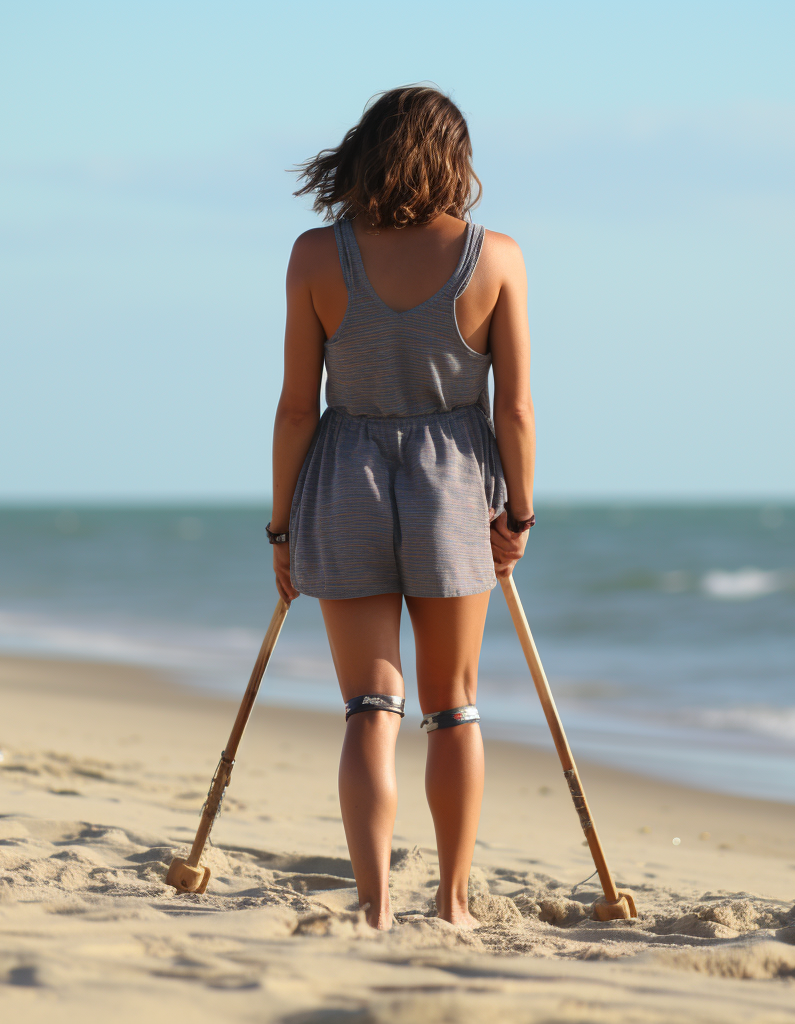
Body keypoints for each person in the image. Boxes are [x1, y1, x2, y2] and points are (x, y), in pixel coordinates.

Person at [269, 86, 534, 930]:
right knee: (451, 704)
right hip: (453, 483)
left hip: (344, 477)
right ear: (455, 161)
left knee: (369, 705)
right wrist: (517, 514)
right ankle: (452, 905)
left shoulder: (317, 255)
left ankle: (375, 905)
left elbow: (296, 409)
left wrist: (282, 526)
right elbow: (515, 410)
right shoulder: (495, 258)